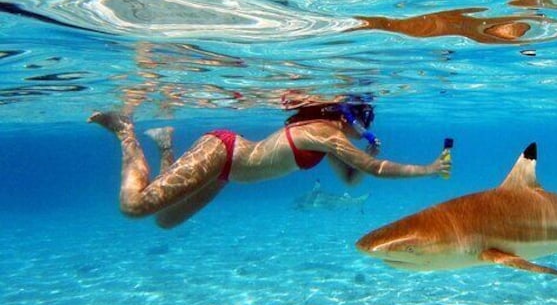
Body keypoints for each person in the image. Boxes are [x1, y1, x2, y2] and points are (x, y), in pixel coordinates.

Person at [88, 100, 451, 229]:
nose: (366, 132)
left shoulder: (331, 145)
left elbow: (353, 181)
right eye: (364, 123)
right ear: (348, 119)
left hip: (226, 174)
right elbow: (374, 172)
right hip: (223, 151)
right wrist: (429, 168)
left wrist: (367, 155)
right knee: (135, 206)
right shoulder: (322, 134)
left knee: (165, 220)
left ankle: (165, 143)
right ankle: (125, 131)